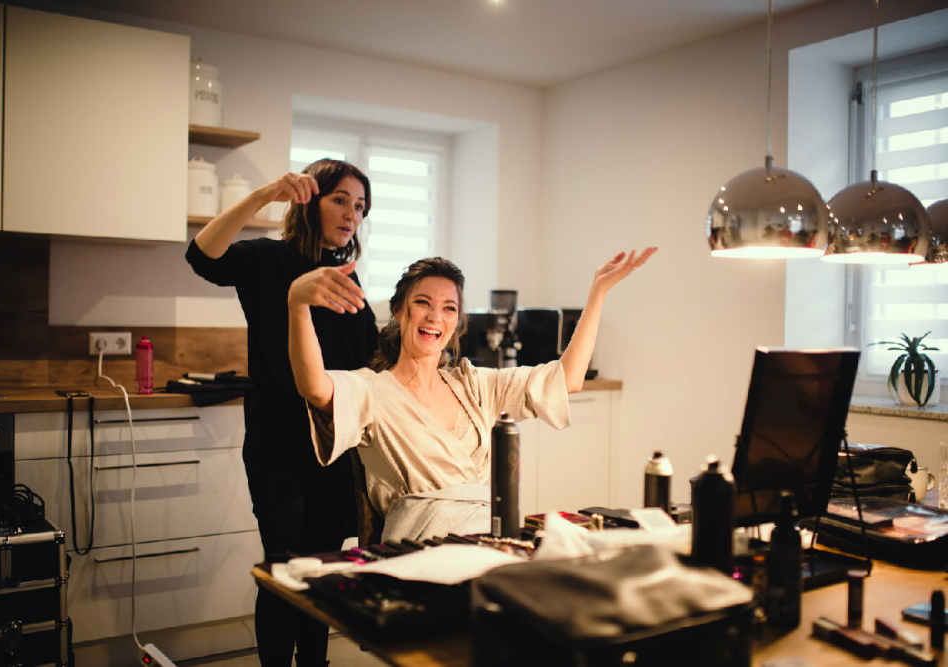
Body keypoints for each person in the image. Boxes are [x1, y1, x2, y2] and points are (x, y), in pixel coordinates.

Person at [288, 249, 657, 541]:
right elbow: (314, 387)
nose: (435, 317)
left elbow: (568, 378)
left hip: (487, 541)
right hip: (418, 549)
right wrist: (298, 305)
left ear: (457, 322)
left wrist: (598, 294)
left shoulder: (475, 385)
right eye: (423, 303)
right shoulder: (371, 389)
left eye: (449, 308)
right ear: (399, 311)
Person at [186, 159, 378, 667]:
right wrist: (263, 195)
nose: (351, 214)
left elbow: (370, 367)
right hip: (278, 445)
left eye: (359, 206)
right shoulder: (269, 261)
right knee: (285, 570)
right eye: (340, 199)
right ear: (309, 199)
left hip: (334, 449)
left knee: (320, 572)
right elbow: (202, 256)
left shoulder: (348, 282)